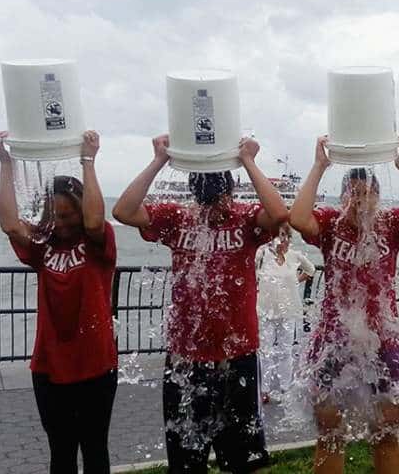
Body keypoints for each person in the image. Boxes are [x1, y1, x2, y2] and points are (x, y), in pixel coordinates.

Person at [112, 134, 287, 474]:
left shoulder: (246, 218)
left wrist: (249, 161)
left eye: (219, 199)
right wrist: (159, 159)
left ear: (231, 193)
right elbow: (123, 211)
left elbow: (279, 214)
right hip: (186, 358)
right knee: (186, 462)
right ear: (195, 195)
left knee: (242, 461)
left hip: (236, 355)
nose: (213, 208)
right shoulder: (178, 218)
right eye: (206, 200)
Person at [288, 135, 399, 474]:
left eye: (367, 193)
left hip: (383, 341)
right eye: (353, 193)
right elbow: (298, 219)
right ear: (342, 197)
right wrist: (319, 166)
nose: (360, 200)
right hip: (334, 340)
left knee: (386, 432)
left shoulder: (391, 224)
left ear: (378, 198)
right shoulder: (330, 224)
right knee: (329, 433)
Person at [0, 130, 118, 474]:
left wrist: (88, 160)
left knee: (95, 450)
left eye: (68, 215)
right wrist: (6, 163)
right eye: (55, 216)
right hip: (49, 367)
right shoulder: (42, 246)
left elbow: (94, 219)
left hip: (95, 364)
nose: (62, 224)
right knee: (61, 452)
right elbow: (9, 223)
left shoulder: (100, 245)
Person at [255, 222, 316, 404]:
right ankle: (264, 389)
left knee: (286, 350)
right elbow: (251, 273)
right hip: (265, 309)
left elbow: (310, 270)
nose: (284, 240)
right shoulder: (262, 254)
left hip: (288, 310)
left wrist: (296, 281)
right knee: (265, 350)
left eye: (287, 237)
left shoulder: (295, 256)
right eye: (281, 236)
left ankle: (285, 387)